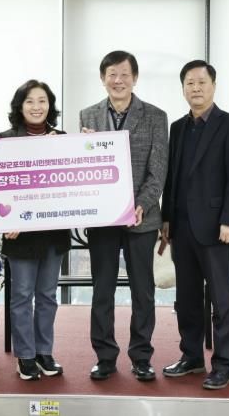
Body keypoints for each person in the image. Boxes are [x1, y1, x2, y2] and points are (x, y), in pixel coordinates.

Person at [161, 60, 229, 390]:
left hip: (216, 228)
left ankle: (224, 364)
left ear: (213, 85)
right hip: (181, 227)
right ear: (183, 88)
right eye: (189, 83)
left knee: (221, 299)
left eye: (201, 82)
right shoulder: (177, 128)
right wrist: (166, 219)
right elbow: (171, 177)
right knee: (186, 298)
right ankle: (191, 356)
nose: (195, 88)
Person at [80, 50, 168, 382]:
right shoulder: (88, 115)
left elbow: (158, 172)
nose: (118, 80)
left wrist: (141, 204)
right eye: (112, 74)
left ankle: (141, 357)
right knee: (102, 290)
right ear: (103, 78)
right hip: (102, 219)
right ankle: (104, 357)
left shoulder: (155, 116)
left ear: (135, 78)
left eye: (125, 74)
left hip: (141, 218)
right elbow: (85, 169)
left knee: (143, 291)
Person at [0, 80, 71, 381]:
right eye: (30, 101)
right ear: (20, 106)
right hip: (19, 234)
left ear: (49, 105)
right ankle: (25, 356)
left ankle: (44, 352)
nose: (37, 106)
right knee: (21, 295)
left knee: (47, 296)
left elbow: (72, 183)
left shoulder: (62, 139)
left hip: (53, 231)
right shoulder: (4, 141)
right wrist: (5, 221)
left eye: (42, 101)